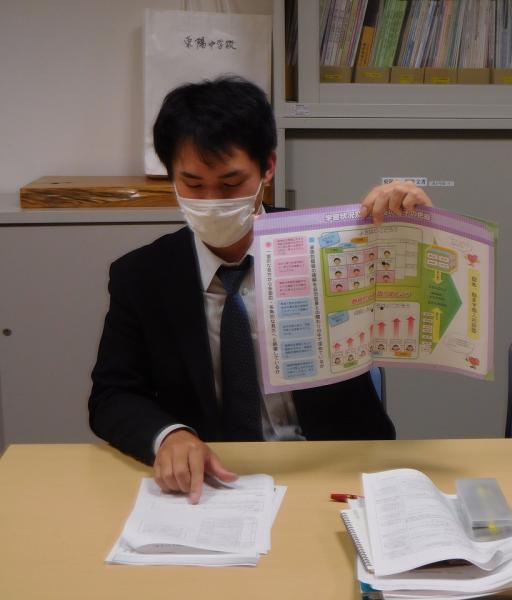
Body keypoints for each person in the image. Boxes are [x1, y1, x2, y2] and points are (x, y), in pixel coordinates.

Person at [89, 76, 432, 502]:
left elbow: (420, 308)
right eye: (193, 183)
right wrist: (169, 435)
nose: (212, 200)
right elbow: (112, 395)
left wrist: (410, 228)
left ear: (268, 168)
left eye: (231, 183)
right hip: (215, 479)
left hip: (332, 468)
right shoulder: (142, 276)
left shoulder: (329, 246)